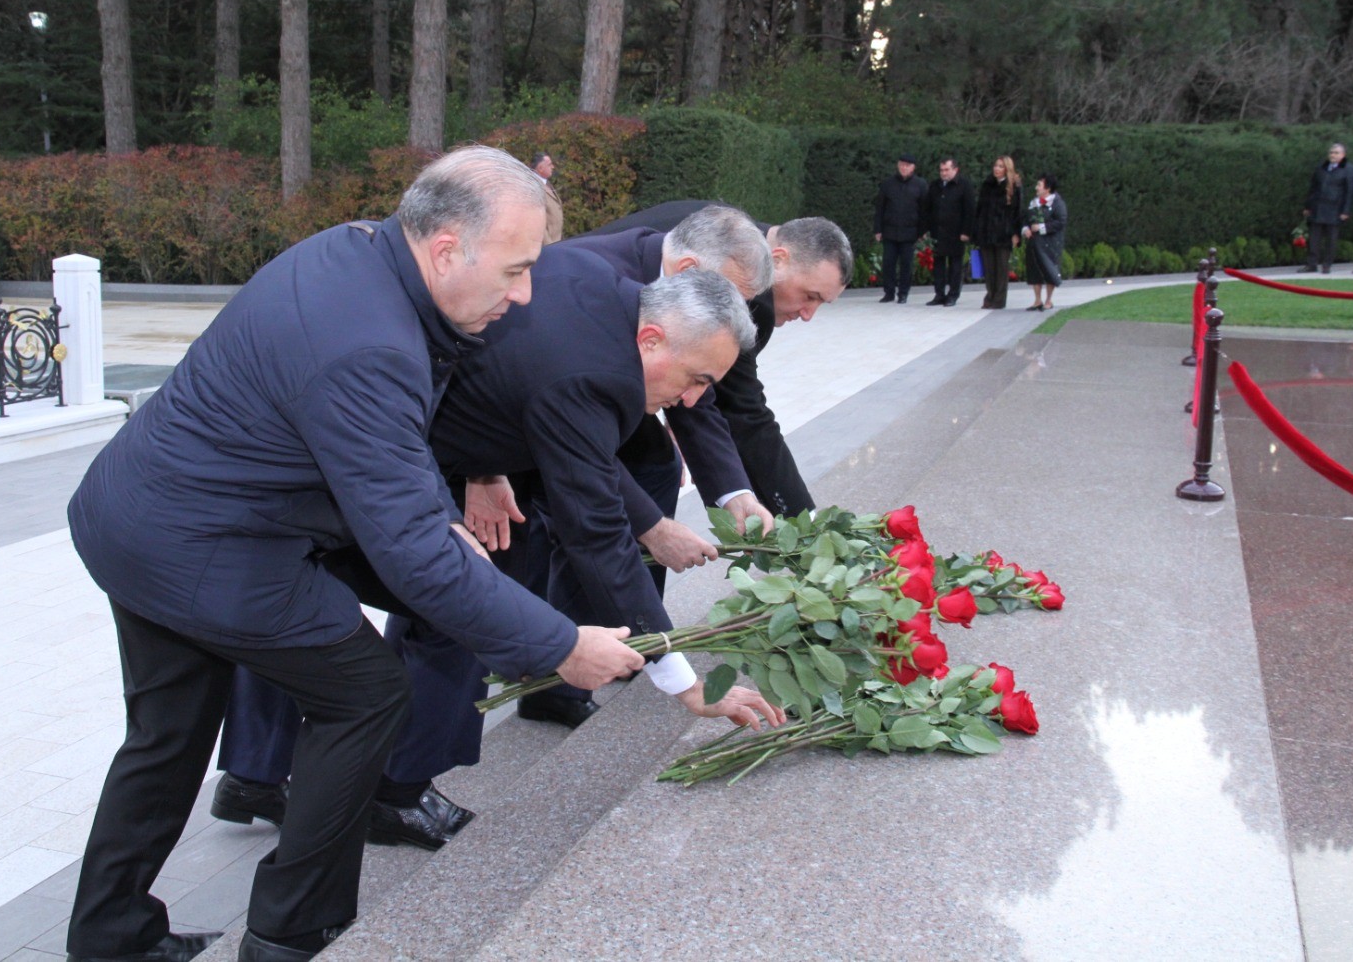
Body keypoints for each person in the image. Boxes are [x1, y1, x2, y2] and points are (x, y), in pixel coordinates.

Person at [61, 147, 644, 962]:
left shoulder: (358, 250)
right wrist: (560, 645)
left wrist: (464, 491)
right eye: (515, 270)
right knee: (366, 693)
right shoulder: (368, 345)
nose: (525, 294)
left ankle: (108, 940)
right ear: (447, 249)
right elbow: (415, 555)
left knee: (165, 736)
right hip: (205, 543)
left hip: (137, 515)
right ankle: (292, 933)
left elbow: (389, 467)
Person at [377, 266, 784, 849]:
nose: (691, 400)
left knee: (460, 615)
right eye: (695, 378)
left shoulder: (615, 299)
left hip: (452, 450)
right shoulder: (594, 375)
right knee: (440, 617)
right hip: (395, 461)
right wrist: (684, 680)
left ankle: (386, 781)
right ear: (652, 341)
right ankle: (381, 792)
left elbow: (571, 444)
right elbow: (597, 535)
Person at [582, 200, 851, 516]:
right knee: (646, 472)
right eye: (810, 296)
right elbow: (742, 411)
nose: (808, 315)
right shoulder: (741, 288)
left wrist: (734, 493)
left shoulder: (730, 250)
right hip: (563, 384)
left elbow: (700, 392)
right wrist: (802, 519)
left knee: (658, 465)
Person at [872, 153, 927, 303]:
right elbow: (880, 208)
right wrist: (878, 229)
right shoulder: (888, 184)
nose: (904, 168)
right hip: (890, 231)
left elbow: (924, 210)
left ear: (913, 167)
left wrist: (922, 231)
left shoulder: (920, 185)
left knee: (906, 264)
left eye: (907, 165)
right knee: (888, 263)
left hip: (910, 232)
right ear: (898, 165)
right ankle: (889, 292)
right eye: (902, 164)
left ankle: (903, 293)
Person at [922, 157, 976, 307]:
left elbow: (970, 210)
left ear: (955, 170)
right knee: (938, 265)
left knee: (955, 266)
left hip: (956, 233)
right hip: (937, 232)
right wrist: (925, 230)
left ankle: (953, 295)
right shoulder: (935, 186)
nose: (943, 173)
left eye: (947, 170)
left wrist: (966, 231)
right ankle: (939, 294)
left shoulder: (964, 185)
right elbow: (927, 209)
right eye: (941, 170)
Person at [973, 156, 1024, 309]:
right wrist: (977, 231)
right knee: (989, 268)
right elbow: (980, 209)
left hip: (1004, 233)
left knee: (1001, 268)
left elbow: (1018, 211)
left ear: (1007, 169)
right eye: (995, 165)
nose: (996, 168)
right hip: (987, 232)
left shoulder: (1014, 186)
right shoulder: (988, 185)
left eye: (1000, 166)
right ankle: (990, 295)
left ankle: (999, 299)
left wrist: (1015, 233)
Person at [1300, 142, 1353, 274]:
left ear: (1343, 155)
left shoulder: (1348, 169)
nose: (1333, 155)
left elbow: (1349, 191)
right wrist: (1308, 206)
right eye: (1331, 152)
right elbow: (1313, 188)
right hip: (1318, 207)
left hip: (1335, 209)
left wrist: (1345, 211)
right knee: (1314, 238)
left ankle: (1327, 264)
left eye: (1336, 153)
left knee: (1331, 239)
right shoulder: (1321, 167)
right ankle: (1311, 264)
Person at [1022, 173, 1066, 311]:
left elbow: (1060, 222)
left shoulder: (1057, 203)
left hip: (1050, 243)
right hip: (1035, 242)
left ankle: (1048, 300)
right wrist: (1025, 229)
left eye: (1039, 185)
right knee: (1034, 270)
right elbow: (1025, 218)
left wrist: (1042, 227)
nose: (1036, 187)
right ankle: (1037, 300)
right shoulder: (1033, 203)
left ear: (1047, 188)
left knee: (1049, 270)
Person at [530, 150, 563, 244]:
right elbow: (538, 223)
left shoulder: (546, 183)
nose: (552, 167)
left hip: (556, 242)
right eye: (549, 164)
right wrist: (549, 246)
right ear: (540, 168)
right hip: (548, 247)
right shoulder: (534, 188)